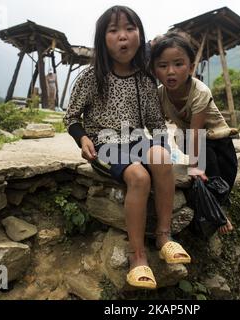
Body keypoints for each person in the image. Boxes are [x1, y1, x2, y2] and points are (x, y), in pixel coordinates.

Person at [63, 6, 191, 290]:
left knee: (161, 156)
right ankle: (137, 257)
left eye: (130, 29)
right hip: (104, 144)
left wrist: (158, 150)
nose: (123, 37)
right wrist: (82, 139)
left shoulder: (145, 80)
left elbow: (156, 123)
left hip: (137, 141)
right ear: (103, 39)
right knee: (139, 177)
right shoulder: (90, 77)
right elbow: (71, 117)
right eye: (114, 30)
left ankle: (164, 237)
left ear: (139, 35)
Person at [150, 33, 238, 235]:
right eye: (162, 66)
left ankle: (218, 210)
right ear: (155, 70)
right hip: (188, 139)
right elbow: (157, 127)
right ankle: (217, 213)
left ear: (191, 68)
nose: (170, 72)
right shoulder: (160, 95)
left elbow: (197, 132)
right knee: (205, 165)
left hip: (218, 138)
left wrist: (195, 167)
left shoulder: (200, 91)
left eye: (178, 64)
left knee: (219, 175)